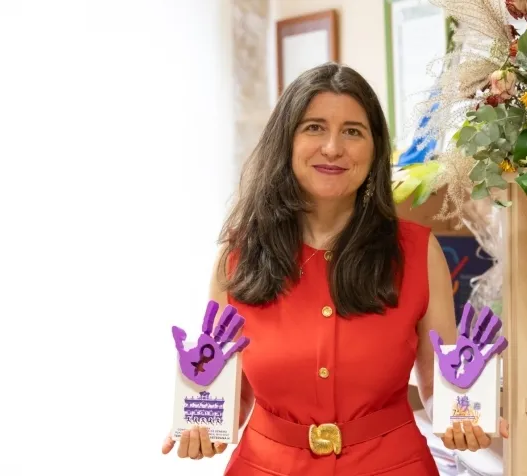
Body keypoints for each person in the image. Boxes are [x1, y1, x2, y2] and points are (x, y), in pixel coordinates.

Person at [161, 62, 509, 475]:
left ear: (375, 149)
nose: (332, 147)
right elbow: (231, 394)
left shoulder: (417, 252)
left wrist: (462, 418)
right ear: (286, 141)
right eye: (314, 128)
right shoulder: (237, 258)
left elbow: (438, 384)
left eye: (353, 132)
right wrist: (202, 427)